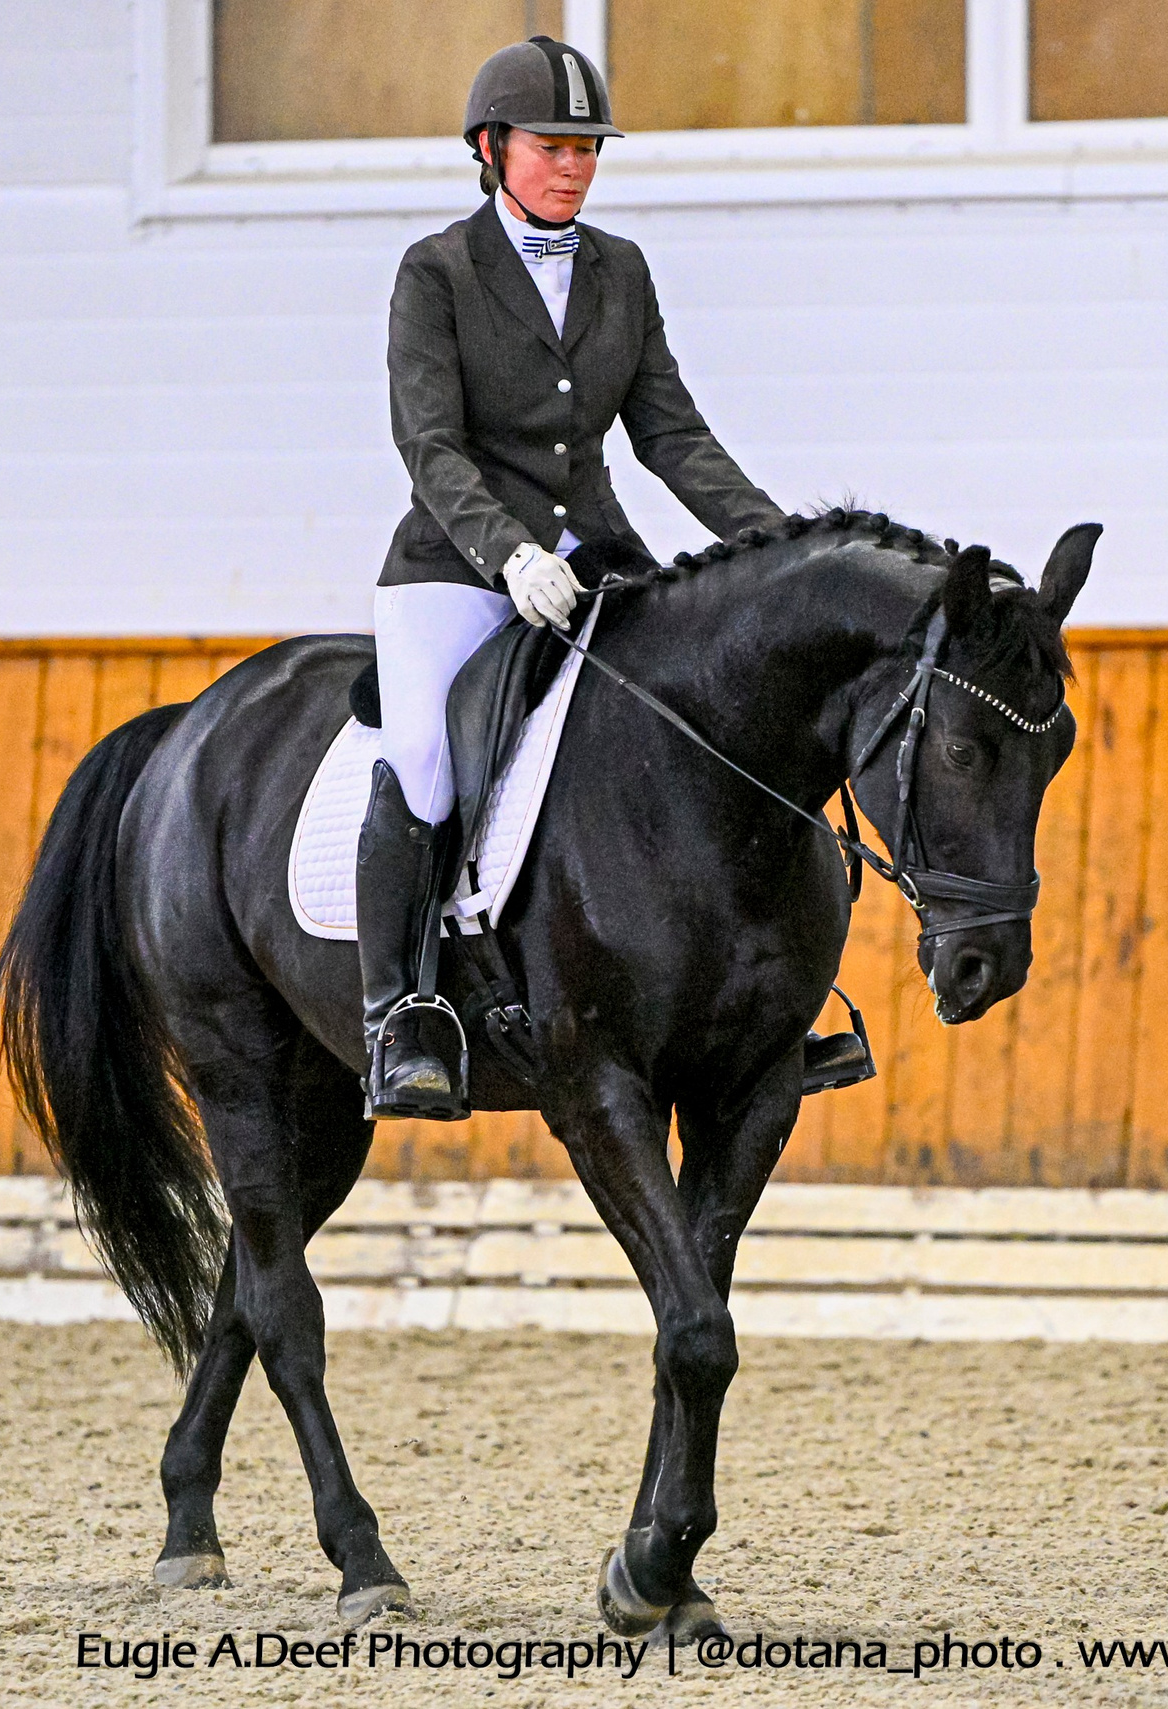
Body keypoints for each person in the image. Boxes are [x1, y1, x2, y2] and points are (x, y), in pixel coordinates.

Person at [359, 36, 786, 1120]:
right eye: (551, 146)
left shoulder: (620, 270)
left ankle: (757, 1001)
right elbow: (429, 444)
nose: (573, 167)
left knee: (708, 719)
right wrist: (507, 551)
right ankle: (400, 1014)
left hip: (596, 557)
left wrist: (775, 544)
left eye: (587, 149)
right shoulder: (436, 271)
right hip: (456, 565)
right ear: (490, 148)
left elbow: (672, 435)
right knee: (423, 759)